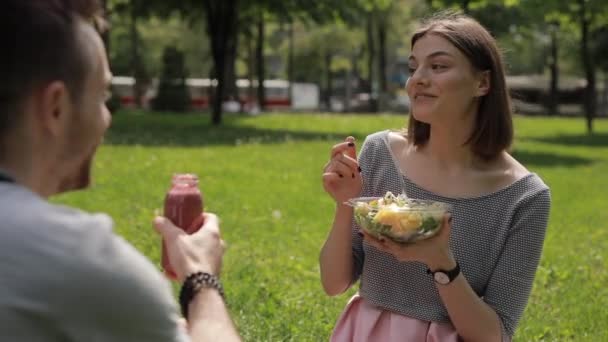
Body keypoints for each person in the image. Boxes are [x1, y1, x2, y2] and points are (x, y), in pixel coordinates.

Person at [0, 1, 240, 341]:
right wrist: (202, 279)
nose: (107, 119)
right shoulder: (77, 260)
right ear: (56, 107)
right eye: (102, 96)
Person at [320, 12, 551, 342]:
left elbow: (494, 334)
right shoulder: (379, 151)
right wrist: (346, 201)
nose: (417, 80)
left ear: (482, 83)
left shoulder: (525, 197)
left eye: (438, 66)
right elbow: (334, 283)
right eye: (414, 67)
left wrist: (441, 261)